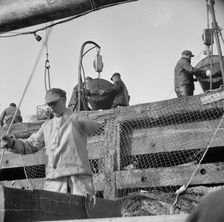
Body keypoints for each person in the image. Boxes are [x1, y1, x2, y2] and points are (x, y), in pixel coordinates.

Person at [0, 88, 98, 197]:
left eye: (54, 103)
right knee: (53, 211)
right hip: (55, 181)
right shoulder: (46, 126)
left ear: (64, 100)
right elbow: (30, 145)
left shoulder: (77, 119)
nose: (51, 107)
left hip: (79, 179)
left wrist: (81, 121)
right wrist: (12, 143)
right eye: (49, 104)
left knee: (84, 212)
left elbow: (93, 126)